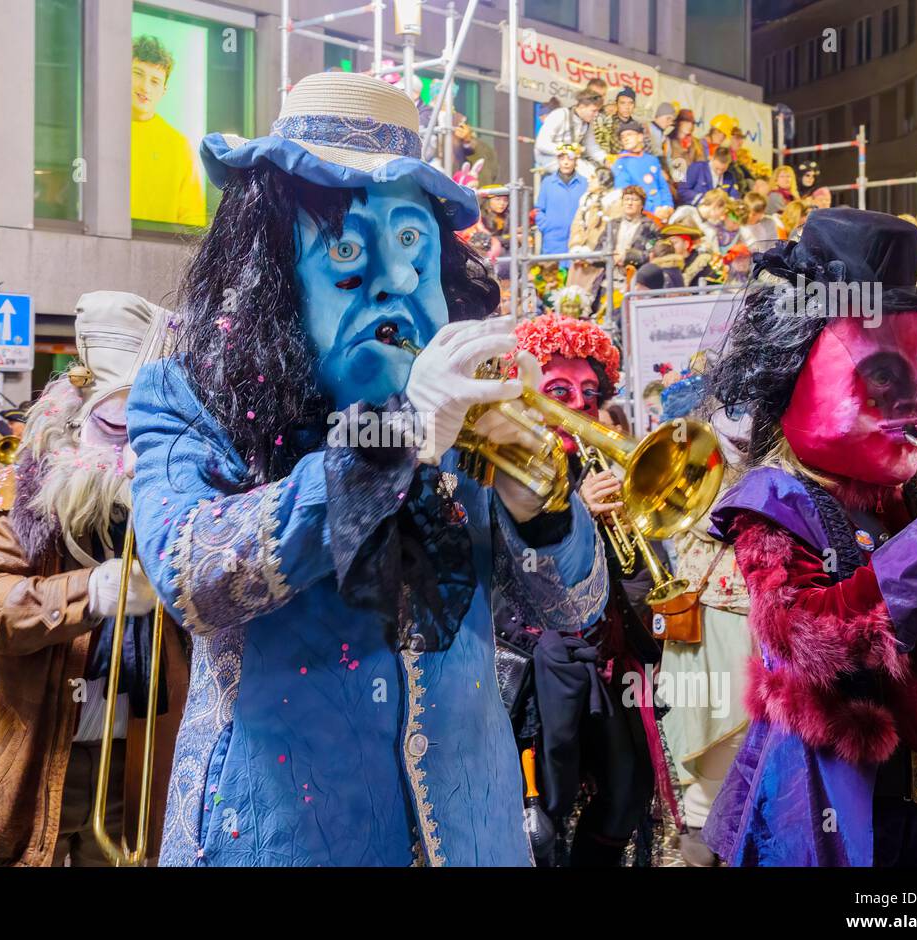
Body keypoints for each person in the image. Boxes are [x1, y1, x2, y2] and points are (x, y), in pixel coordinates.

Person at [126, 71, 609, 867]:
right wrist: (396, 438)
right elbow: (194, 573)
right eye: (349, 249)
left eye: (413, 244)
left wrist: (544, 508)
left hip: (473, 837)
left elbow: (571, 609)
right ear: (272, 271)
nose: (398, 282)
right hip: (281, 839)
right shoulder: (186, 394)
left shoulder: (464, 405)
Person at [702, 209, 917, 866]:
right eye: (885, 376)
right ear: (795, 373)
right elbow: (811, 643)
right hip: (835, 809)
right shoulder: (769, 501)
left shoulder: (916, 490)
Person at [0, 292, 190, 867]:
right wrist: (89, 592)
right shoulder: (25, 493)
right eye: (118, 423)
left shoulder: (176, 500)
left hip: (139, 766)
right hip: (37, 759)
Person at [495, 314, 680, 866]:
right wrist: (575, 517)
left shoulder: (605, 464)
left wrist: (632, 522)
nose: (578, 404)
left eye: (589, 393)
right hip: (534, 668)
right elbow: (507, 578)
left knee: (626, 796)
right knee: (541, 818)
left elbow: (639, 582)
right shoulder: (503, 468)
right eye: (559, 391)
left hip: (607, 660)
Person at [658, 377, 753, 867]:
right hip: (708, 631)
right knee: (711, 766)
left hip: (757, 629)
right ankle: (703, 843)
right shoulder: (689, 467)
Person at [129, 34, 205, 226]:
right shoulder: (100, 132)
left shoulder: (179, 146)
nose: (145, 87)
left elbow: (193, 219)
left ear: (163, 90)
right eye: (137, 73)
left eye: (155, 81)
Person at [535, 144, 588, 260]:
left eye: (570, 158)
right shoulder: (548, 183)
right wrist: (547, 226)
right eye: (562, 158)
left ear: (576, 161)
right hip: (553, 239)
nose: (566, 162)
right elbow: (539, 209)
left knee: (576, 273)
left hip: (578, 239)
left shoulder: (584, 184)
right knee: (552, 274)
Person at [611, 122, 673, 217]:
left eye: (629, 135)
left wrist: (668, 206)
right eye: (622, 137)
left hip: (662, 211)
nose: (625, 139)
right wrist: (653, 210)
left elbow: (663, 186)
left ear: (640, 137)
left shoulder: (652, 160)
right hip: (641, 215)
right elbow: (627, 195)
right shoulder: (621, 163)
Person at [535, 91, 606, 174]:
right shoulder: (559, 115)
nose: (596, 114)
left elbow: (592, 147)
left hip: (570, 159)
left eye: (598, 111)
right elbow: (541, 144)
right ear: (582, 107)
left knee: (596, 174)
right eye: (594, 111)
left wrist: (605, 160)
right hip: (549, 158)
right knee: (587, 176)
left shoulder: (588, 122)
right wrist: (567, 149)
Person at [609, 186, 661, 269]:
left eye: (635, 200)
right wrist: (610, 255)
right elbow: (600, 247)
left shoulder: (650, 227)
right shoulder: (612, 224)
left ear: (642, 205)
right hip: (611, 272)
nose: (629, 203)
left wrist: (627, 257)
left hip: (637, 274)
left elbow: (652, 252)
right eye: (626, 199)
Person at [666, 109, 705, 186]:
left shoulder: (696, 143)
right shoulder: (668, 141)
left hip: (693, 184)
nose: (690, 126)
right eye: (686, 122)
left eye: (692, 123)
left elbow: (701, 164)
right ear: (679, 123)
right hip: (675, 185)